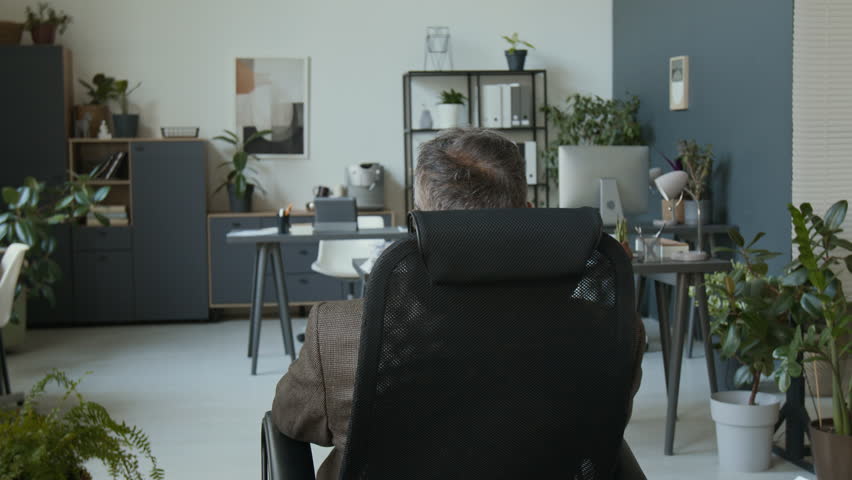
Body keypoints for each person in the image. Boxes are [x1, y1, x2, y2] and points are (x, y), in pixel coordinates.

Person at [271, 128, 645, 479]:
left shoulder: (339, 334)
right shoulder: (606, 329)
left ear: (419, 224)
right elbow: (603, 430)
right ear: (529, 210)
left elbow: (288, 420)